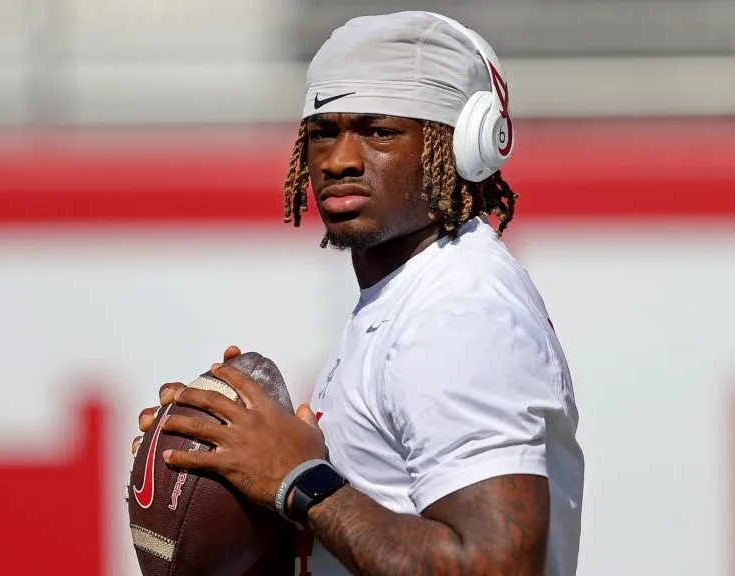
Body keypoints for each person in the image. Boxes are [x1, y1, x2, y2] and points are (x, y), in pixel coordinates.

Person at [132, 11, 584, 575]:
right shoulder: (404, 295)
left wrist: (299, 480)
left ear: (462, 144)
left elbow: (499, 565)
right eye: (324, 132)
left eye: (378, 131)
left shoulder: (458, 311)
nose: (340, 160)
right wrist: (248, 487)